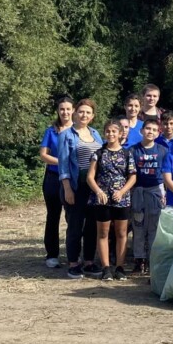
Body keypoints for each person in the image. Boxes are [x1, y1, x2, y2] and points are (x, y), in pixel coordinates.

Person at [57, 99, 104, 279]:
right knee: (75, 226)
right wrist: (67, 189)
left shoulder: (96, 134)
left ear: (92, 116)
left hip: (93, 187)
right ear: (75, 113)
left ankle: (89, 261)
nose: (84, 115)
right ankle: (73, 263)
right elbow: (63, 165)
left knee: (91, 226)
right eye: (81, 112)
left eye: (88, 113)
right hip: (76, 186)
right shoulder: (66, 135)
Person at [87, 119, 137, 281]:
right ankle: (106, 268)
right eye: (108, 131)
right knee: (103, 233)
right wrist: (98, 191)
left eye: (114, 131)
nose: (111, 134)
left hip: (121, 200)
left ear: (121, 133)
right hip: (102, 200)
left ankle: (120, 267)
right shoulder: (98, 154)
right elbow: (90, 177)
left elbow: (132, 177)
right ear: (104, 133)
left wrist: (122, 191)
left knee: (121, 233)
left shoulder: (127, 154)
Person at [39, 95, 73, 268]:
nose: (65, 112)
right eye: (62, 109)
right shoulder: (51, 131)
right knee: (53, 216)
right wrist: (61, 161)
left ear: (73, 110)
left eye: (68, 109)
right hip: (53, 178)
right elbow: (43, 154)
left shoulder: (79, 130)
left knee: (72, 218)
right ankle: (52, 254)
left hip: (72, 178)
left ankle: (73, 254)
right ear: (58, 111)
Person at [130, 117, 167, 276]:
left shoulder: (162, 150)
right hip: (138, 190)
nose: (150, 132)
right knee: (138, 226)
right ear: (141, 130)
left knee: (154, 227)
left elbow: (166, 174)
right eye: (147, 129)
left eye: (154, 129)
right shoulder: (133, 150)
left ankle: (153, 259)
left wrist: (165, 192)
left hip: (155, 190)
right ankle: (139, 259)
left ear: (158, 132)